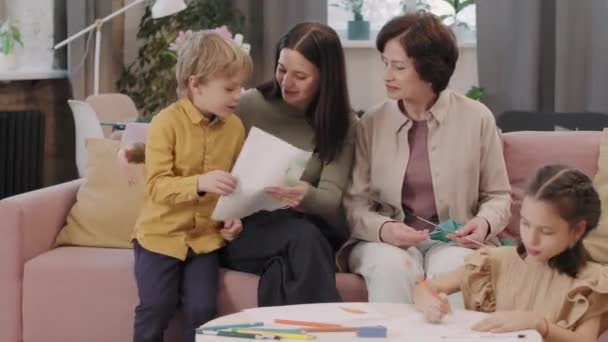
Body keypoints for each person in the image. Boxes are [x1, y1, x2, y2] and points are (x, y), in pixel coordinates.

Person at [122, 22, 357, 306]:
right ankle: (323, 328)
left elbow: (331, 199)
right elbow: (190, 139)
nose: (286, 82)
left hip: (301, 225)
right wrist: (135, 151)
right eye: (282, 69)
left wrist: (305, 193)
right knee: (302, 242)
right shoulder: (246, 104)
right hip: (241, 225)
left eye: (300, 76)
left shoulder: (342, 124)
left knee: (293, 252)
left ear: (325, 79)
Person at [342, 10, 512, 304]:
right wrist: (384, 230)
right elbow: (355, 203)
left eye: (398, 67)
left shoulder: (477, 118)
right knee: (392, 268)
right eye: (385, 63)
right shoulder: (371, 122)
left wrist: (483, 223)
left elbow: (498, 196)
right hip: (385, 242)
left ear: (429, 70)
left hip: (452, 243)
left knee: (455, 271)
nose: (386, 75)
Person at [131, 31, 252, 342]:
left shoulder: (235, 128)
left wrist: (233, 219)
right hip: (160, 237)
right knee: (157, 306)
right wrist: (199, 182)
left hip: (204, 241)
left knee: (202, 309)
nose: (238, 95)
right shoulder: (165, 123)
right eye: (229, 88)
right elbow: (157, 186)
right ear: (195, 84)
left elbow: (235, 187)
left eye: (240, 87)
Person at [414, 164, 608, 341]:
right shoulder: (497, 260)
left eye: (546, 231)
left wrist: (539, 325)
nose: (531, 238)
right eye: (525, 223)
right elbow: (426, 288)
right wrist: (430, 304)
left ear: (578, 230)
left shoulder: (591, 281)